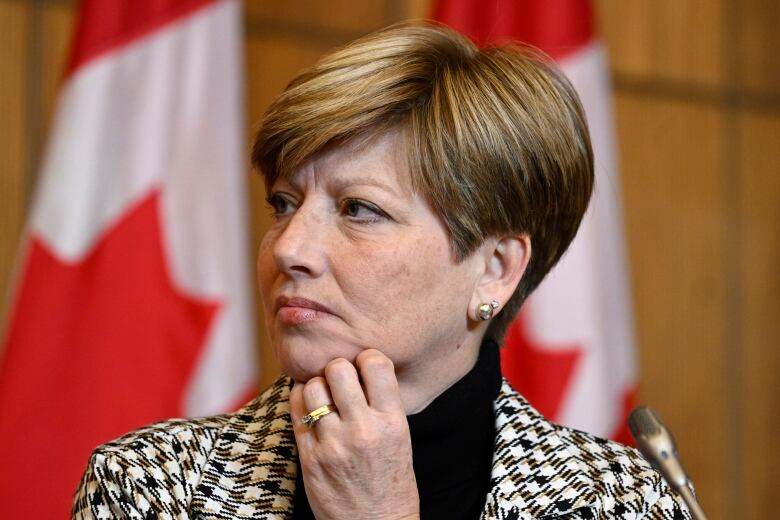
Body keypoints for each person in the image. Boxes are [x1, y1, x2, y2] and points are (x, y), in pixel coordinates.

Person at [73, 23, 691, 519]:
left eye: (358, 210)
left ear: (495, 270)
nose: (291, 248)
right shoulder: (153, 489)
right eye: (284, 203)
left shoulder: (624, 505)